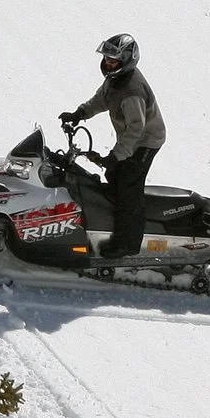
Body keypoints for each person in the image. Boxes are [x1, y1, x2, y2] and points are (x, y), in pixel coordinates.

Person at [60, 32, 166, 260]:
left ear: (126, 60)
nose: (108, 62)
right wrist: (79, 114)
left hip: (146, 141)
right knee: (114, 175)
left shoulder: (132, 90)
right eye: (107, 58)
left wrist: (117, 156)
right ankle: (110, 225)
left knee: (128, 185)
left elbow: (136, 129)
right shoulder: (115, 79)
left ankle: (128, 245)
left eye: (113, 59)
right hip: (131, 137)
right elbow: (102, 99)